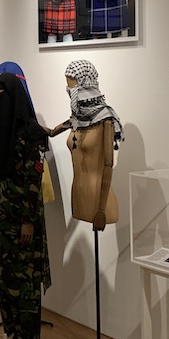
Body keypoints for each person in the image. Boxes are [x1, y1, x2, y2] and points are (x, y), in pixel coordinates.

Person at [0, 72, 51, 339]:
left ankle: (28, 336)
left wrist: (27, 221)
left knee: (24, 277)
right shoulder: (0, 132)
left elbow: (33, 182)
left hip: (23, 220)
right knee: (4, 275)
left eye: (0, 95)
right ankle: (10, 330)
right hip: (0, 217)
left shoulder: (31, 134)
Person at [47, 60, 123, 230]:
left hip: (100, 203)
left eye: (73, 86)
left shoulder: (106, 121)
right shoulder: (77, 119)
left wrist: (102, 210)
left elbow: (108, 165)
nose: (70, 91)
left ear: (85, 84)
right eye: (68, 87)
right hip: (78, 197)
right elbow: (53, 131)